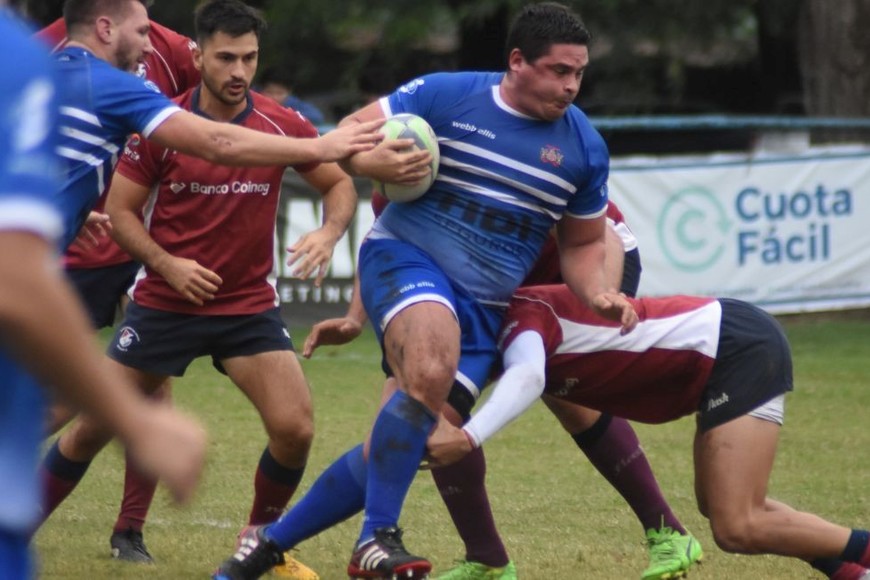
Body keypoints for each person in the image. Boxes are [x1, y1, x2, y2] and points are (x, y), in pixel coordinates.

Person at [214, 3, 638, 579]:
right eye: (558, 71)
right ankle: (376, 539)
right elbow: (343, 139)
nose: (570, 86)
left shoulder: (583, 147)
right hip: (404, 259)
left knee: (393, 450)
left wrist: (598, 293)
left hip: (485, 310)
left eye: (578, 73)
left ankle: (257, 554)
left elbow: (585, 244)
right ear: (517, 62)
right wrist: (371, 158)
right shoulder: (445, 96)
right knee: (432, 361)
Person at [38, 1, 422, 578]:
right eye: (225, 57)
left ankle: (260, 543)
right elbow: (127, 208)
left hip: (245, 305)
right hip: (166, 303)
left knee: (295, 428)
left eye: (249, 58)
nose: (239, 70)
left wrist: (329, 228)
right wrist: (166, 264)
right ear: (198, 55)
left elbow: (337, 183)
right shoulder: (155, 118)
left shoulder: (278, 121)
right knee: (89, 425)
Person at [258, 200, 701, 580]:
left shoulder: (501, 149)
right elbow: (384, 238)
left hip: (581, 267)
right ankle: (486, 559)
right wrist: (356, 318)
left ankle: (668, 532)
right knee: (419, 419)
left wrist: (591, 308)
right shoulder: (396, 172)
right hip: (477, 284)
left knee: (566, 393)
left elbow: (596, 231)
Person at [425, 285, 870, 580]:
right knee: (724, 510)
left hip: (735, 349)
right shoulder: (483, 336)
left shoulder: (522, 313)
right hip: (721, 356)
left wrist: (468, 437)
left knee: (738, 525)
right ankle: (851, 569)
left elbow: (528, 378)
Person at [0, 8, 205, 578]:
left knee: (148, 380)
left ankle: (129, 528)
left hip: (124, 234)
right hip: (68, 248)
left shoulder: (172, 45)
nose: (144, 38)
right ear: (103, 25)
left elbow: (203, 114)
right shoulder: (32, 53)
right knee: (75, 390)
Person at [258, 65, 327, 127]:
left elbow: (317, 117)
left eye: (280, 93)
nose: (274, 97)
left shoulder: (292, 103)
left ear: (289, 92)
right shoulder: (251, 101)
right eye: (269, 92)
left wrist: (282, 115)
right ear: (260, 90)